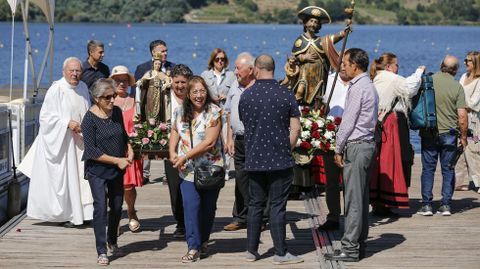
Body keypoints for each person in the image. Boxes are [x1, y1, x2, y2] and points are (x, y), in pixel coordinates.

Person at [239, 54, 303, 265]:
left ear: (256, 69)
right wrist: (287, 147)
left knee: (255, 204)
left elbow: (245, 123)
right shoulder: (286, 94)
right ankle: (280, 253)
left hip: (254, 158)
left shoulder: (246, 96)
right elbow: (295, 129)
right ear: (273, 69)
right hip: (280, 159)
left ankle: (251, 250)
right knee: (277, 206)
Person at [18, 57, 93, 228]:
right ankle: (70, 215)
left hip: (80, 141)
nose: (75, 74)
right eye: (71, 70)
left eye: (78, 70)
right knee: (68, 179)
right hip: (63, 143)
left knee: (83, 178)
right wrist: (67, 123)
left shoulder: (83, 87)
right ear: (64, 71)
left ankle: (86, 213)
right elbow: (45, 117)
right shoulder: (56, 89)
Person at [324, 48, 378, 262]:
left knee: (353, 200)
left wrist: (338, 148)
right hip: (366, 144)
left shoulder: (358, 88)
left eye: (345, 63)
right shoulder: (369, 85)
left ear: (355, 65)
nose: (342, 66)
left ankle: (350, 248)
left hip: (356, 145)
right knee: (361, 198)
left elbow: (348, 121)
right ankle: (359, 242)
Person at [168, 76, 224, 263]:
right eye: (195, 92)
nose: (199, 95)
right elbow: (175, 131)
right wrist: (173, 153)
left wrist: (185, 156)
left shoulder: (214, 112)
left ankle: (204, 240)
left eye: (202, 91)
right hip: (187, 170)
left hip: (210, 169)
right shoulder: (179, 112)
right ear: (188, 94)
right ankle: (193, 247)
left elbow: (209, 142)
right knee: (190, 208)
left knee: (207, 210)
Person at [81, 78, 133, 266]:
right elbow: (92, 151)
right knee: (100, 207)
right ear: (96, 99)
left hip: (117, 168)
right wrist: (117, 160)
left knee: (117, 206)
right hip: (98, 169)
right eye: (107, 97)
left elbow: (124, 136)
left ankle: (113, 240)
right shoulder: (88, 119)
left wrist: (130, 149)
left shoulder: (117, 112)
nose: (112, 100)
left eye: (113, 96)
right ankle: (101, 250)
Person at [369, 52, 425, 216]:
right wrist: (419, 72)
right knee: (392, 160)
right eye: (396, 65)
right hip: (391, 124)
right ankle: (388, 200)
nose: (398, 68)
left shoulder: (375, 78)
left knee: (378, 162)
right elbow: (410, 88)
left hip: (376, 123)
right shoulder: (391, 78)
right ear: (388, 66)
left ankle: (377, 200)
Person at [417, 55, 468, 217]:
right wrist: (464, 137)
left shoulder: (428, 81)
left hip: (429, 132)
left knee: (428, 169)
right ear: (456, 70)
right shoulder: (457, 87)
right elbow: (462, 116)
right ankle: (445, 205)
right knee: (448, 169)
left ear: (441, 65)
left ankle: (426, 205)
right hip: (449, 134)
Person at [224, 52, 268, 231]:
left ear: (251, 70)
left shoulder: (260, 86)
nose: (234, 71)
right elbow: (228, 112)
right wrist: (229, 138)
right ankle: (241, 217)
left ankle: (261, 218)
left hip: (256, 139)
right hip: (239, 139)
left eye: (238, 68)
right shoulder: (235, 85)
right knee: (241, 178)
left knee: (258, 178)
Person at [134, 39, 175, 185]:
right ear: (153, 52)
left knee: (167, 136)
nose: (165, 53)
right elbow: (137, 91)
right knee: (147, 134)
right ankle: (145, 174)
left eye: (166, 50)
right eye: (162, 51)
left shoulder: (173, 67)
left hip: (167, 108)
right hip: (149, 106)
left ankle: (167, 174)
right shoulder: (142, 68)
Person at [291, 6, 347, 105]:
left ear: (319, 26)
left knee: (317, 98)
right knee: (300, 91)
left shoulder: (321, 41)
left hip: (318, 73)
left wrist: (343, 33)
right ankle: (294, 109)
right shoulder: (300, 40)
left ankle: (314, 115)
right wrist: (304, 57)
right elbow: (294, 58)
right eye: (311, 21)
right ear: (305, 23)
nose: (313, 24)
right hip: (304, 72)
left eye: (316, 22)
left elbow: (332, 39)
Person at [315, 70, 349, 230]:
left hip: (351, 135)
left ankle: (351, 216)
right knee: (332, 181)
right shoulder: (329, 80)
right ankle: (334, 216)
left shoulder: (357, 83)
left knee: (350, 181)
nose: (343, 67)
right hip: (331, 133)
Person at [110, 65, 143, 232]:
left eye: (124, 80)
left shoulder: (135, 102)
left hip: (131, 149)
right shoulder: (107, 101)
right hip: (112, 149)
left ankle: (131, 211)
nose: (121, 84)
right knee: (113, 186)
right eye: (117, 80)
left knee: (129, 186)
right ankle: (115, 217)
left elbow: (140, 124)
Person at [165, 64, 194, 239]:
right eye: (176, 82)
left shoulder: (196, 97)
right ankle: (180, 223)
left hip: (194, 150)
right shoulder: (164, 98)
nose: (180, 86)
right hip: (172, 150)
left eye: (183, 82)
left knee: (193, 188)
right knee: (175, 189)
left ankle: (193, 221)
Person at [201, 48, 236, 180]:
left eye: (222, 59)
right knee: (212, 142)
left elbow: (234, 94)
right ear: (213, 60)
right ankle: (214, 166)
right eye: (217, 59)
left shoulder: (231, 75)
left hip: (226, 114)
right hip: (211, 114)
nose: (220, 61)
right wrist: (211, 98)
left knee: (227, 142)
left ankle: (226, 169)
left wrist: (226, 98)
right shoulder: (205, 75)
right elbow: (201, 92)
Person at [455, 51, 480, 192]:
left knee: (475, 149)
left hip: (475, 122)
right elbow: (458, 94)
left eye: (468, 61)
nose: (465, 63)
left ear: (475, 63)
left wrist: (460, 104)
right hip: (461, 118)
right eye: (465, 60)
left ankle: (478, 181)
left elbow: (474, 102)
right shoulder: (464, 76)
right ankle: (461, 182)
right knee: (459, 148)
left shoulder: (479, 80)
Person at [137, 52, 172, 123]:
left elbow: (168, 81)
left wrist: (166, 85)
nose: (157, 65)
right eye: (156, 63)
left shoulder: (162, 74)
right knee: (149, 107)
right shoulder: (149, 73)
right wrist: (140, 82)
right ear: (153, 64)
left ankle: (158, 123)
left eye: (159, 64)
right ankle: (148, 123)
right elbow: (143, 80)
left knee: (159, 109)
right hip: (150, 93)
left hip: (159, 94)